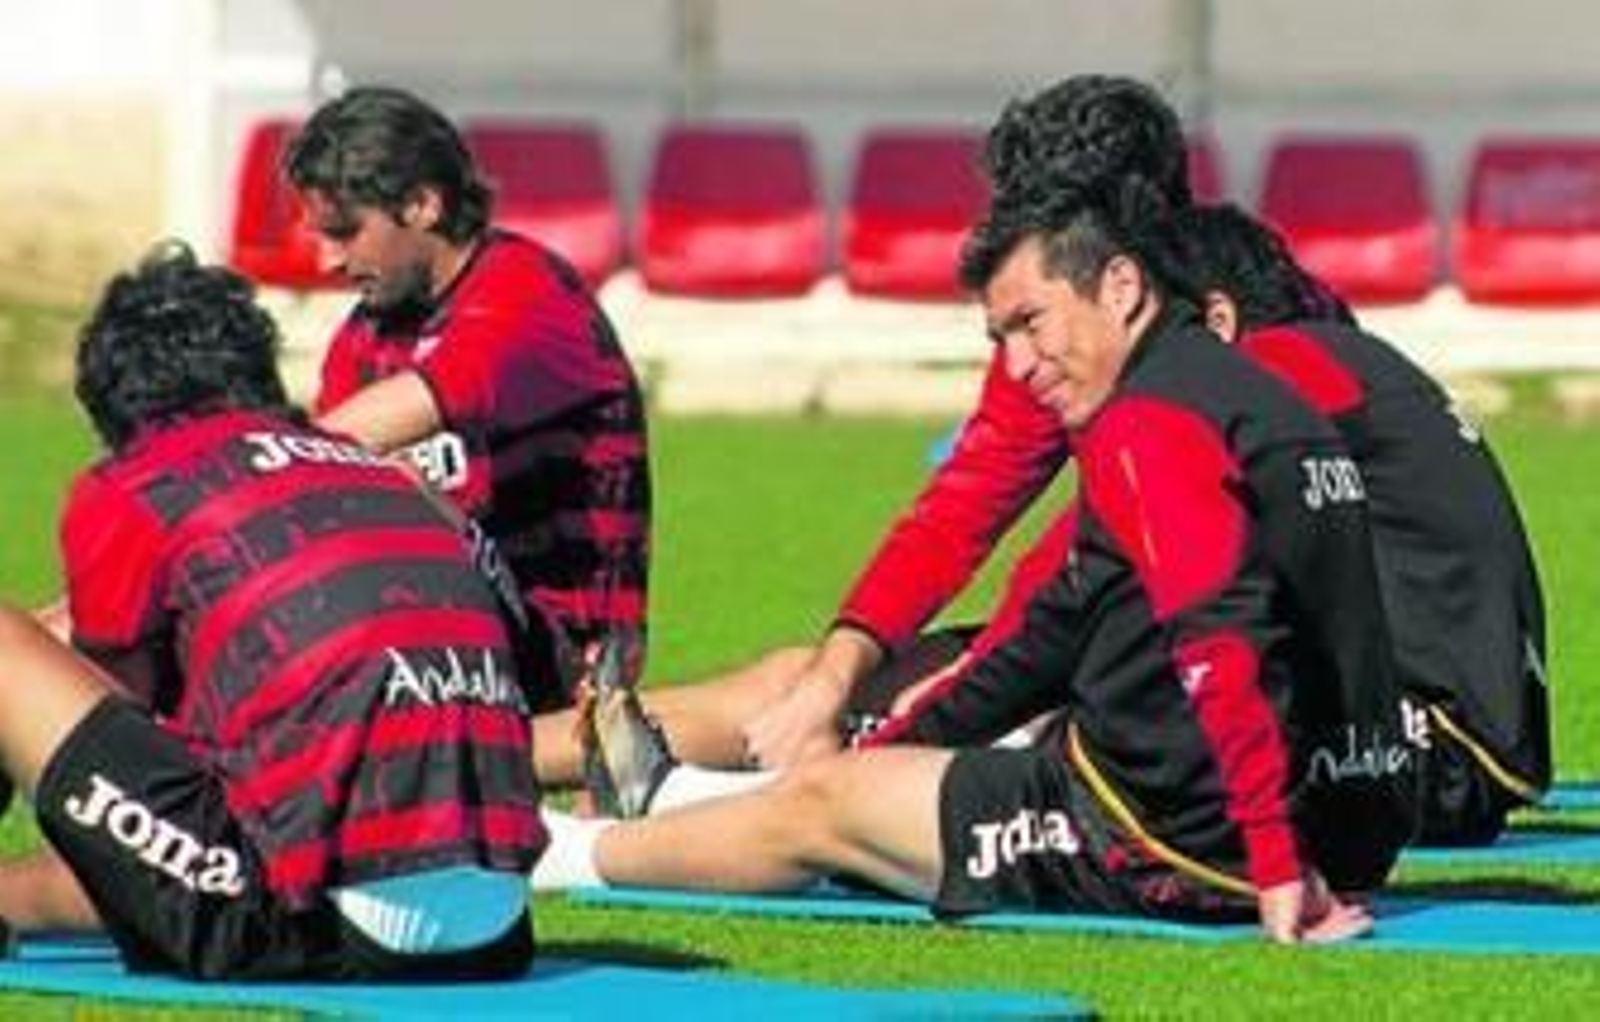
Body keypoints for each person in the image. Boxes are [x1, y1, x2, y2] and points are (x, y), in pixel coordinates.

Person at [533, 177, 1418, 944]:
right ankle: (679, 793)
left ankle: (563, 854)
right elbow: (1052, 635)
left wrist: (1270, 864)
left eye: (1032, 324)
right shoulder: (1259, 397)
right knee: (879, 772)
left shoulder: (1146, 428)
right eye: (1002, 339)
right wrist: (893, 744)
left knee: (827, 812)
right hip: (1347, 828)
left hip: (1176, 843)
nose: (1021, 367)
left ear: (1120, 286)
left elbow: (1220, 638)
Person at [0, 244, 544, 980]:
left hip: (304, 913)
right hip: (496, 923)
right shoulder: (385, 475)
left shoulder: (139, 482)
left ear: (110, 411)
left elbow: (114, 721)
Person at [1144, 204, 1550, 843]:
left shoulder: (1279, 366)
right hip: (1455, 756)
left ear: (1217, 321)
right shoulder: (1345, 359)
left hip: (1425, 758)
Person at [284, 86, 651, 709]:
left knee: (384, 490)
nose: (327, 259)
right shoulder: (365, 333)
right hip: (436, 625)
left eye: (345, 232)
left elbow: (362, 436)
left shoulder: (527, 294)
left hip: (562, 657)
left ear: (423, 204)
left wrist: (247, 476)